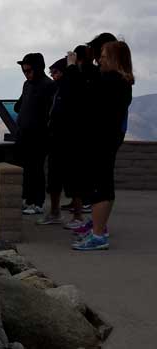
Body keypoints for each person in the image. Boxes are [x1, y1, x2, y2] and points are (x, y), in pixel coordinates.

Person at [73, 40, 134, 251]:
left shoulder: (111, 81)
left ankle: (98, 235)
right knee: (104, 184)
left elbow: (84, 93)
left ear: (115, 59)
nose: (100, 61)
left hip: (101, 140)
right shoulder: (122, 82)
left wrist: (75, 68)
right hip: (107, 139)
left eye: (104, 57)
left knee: (101, 187)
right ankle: (98, 230)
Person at [14, 53, 56, 215]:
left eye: (29, 70)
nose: (26, 74)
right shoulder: (27, 85)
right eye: (24, 71)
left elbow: (51, 112)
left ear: (38, 68)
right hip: (24, 134)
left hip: (40, 136)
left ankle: (37, 203)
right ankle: (27, 200)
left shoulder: (49, 86)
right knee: (27, 168)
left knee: (36, 168)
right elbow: (20, 105)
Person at [37, 58, 73, 225]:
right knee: (54, 178)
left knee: (72, 179)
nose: (53, 76)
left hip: (66, 139)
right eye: (52, 73)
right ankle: (55, 211)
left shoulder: (70, 90)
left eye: (56, 72)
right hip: (54, 139)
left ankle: (78, 215)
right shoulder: (55, 90)